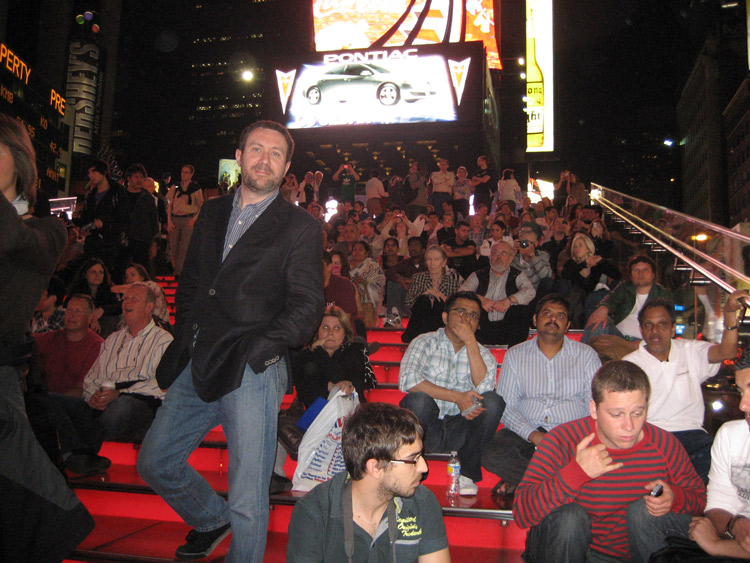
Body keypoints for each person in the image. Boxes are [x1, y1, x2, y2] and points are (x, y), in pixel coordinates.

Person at [137, 120, 324, 562]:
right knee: (155, 461)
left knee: (246, 496)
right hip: (199, 357)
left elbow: (306, 309)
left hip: (252, 369)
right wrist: (187, 334)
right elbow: (194, 281)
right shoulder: (215, 210)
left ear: (287, 167)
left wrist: (258, 352)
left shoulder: (301, 227)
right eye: (255, 149)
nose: (264, 159)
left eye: (275, 153)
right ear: (238, 158)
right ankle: (208, 517)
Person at [0, 113, 94, 561]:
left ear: (18, 162)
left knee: (29, 502)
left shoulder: (44, 230)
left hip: (3, 377)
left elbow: (8, 238)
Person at [514, 360, 706, 563]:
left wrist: (674, 498)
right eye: (617, 414)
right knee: (570, 517)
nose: (629, 426)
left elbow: (699, 499)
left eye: (638, 413)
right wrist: (576, 473)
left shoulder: (663, 443)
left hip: (636, 552)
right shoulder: (563, 439)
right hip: (580, 551)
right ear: (594, 410)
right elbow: (522, 513)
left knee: (642, 512)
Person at [287, 402, 450, 562]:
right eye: (412, 459)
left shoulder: (422, 502)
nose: (423, 467)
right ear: (375, 467)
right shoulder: (313, 511)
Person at [482, 294, 601, 495]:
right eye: (547, 313)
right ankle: (560, 483)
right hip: (527, 433)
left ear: (568, 325)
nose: (553, 319)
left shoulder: (586, 355)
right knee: (491, 453)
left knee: (591, 452)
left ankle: (526, 481)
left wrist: (566, 436)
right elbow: (506, 407)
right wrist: (534, 435)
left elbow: (595, 403)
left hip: (571, 434)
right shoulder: (515, 355)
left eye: (560, 316)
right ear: (535, 320)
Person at [622, 293, 747, 484]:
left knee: (715, 480)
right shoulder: (629, 365)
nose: (655, 331)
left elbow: (727, 351)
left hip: (693, 436)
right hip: (651, 436)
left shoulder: (690, 350)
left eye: (662, 324)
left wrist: (729, 315)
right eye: (648, 325)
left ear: (672, 329)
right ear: (641, 329)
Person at [399, 291, 504, 496]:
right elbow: (408, 380)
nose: (466, 319)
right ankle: (410, 465)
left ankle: (467, 472)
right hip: (427, 428)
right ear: (445, 317)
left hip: (461, 427)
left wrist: (470, 342)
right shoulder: (424, 342)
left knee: (493, 402)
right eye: (461, 312)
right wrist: (457, 397)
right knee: (418, 401)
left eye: (473, 316)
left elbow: (484, 389)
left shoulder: (484, 354)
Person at [688, 350, 750, 559]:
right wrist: (735, 525)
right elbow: (717, 505)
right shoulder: (731, 434)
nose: (743, 405)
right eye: (741, 392)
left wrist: (715, 545)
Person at [583, 254, 673, 360]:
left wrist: (643, 342)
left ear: (653, 274)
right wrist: (603, 308)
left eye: (645, 270)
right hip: (618, 338)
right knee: (599, 320)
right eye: (636, 270)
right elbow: (612, 299)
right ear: (631, 276)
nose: (640, 273)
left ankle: (583, 359)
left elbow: (667, 325)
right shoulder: (625, 287)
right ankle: (583, 359)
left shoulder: (663, 294)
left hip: (643, 341)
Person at [293, 306, 376, 409]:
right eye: (325, 327)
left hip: (352, 416)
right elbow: (306, 394)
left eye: (337, 328)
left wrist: (329, 385)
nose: (330, 332)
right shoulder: (306, 356)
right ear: (317, 331)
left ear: (345, 332)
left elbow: (354, 384)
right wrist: (335, 386)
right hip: (317, 416)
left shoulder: (355, 350)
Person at [459, 241, 535, 346]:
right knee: (468, 307)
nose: (498, 257)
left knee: (520, 311)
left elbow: (530, 291)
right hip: (481, 325)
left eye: (504, 253)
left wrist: (509, 301)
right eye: (495, 253)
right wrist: (481, 300)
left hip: (508, 327)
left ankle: (514, 355)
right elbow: (462, 292)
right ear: (490, 256)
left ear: (511, 258)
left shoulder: (517, 275)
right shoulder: (478, 275)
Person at [33, 293, 104, 397]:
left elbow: (82, 389)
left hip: (76, 403)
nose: (72, 315)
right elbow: (27, 343)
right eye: (69, 310)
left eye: (78, 311)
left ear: (90, 318)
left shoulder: (97, 346)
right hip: (46, 397)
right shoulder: (53, 338)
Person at [400, 246, 463, 343]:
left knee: (440, 303)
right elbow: (408, 302)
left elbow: (457, 308)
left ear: (444, 262)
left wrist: (442, 297)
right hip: (420, 322)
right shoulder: (418, 278)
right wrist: (426, 292)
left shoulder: (452, 282)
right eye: (429, 259)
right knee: (424, 300)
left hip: (441, 323)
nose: (432, 263)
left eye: (436, 259)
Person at [561, 231, 622, 328]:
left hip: (593, 298)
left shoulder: (596, 263)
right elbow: (566, 274)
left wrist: (601, 261)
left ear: (588, 247)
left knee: (594, 298)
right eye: (575, 246)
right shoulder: (571, 264)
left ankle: (589, 330)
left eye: (580, 245)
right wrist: (584, 264)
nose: (577, 248)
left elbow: (617, 275)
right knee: (577, 294)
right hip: (575, 298)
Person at [65, 257, 122, 337]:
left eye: (101, 272)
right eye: (93, 272)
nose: (97, 275)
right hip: (83, 321)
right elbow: (67, 304)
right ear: (85, 274)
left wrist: (102, 310)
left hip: (104, 324)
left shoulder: (110, 289)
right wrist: (91, 318)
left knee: (110, 318)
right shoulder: (77, 289)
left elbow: (119, 306)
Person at [167, 164, 203, 277]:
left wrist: (194, 219)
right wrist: (169, 220)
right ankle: (176, 268)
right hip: (175, 218)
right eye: (183, 172)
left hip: (188, 218)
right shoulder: (176, 187)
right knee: (173, 246)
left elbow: (201, 204)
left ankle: (179, 271)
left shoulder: (195, 188)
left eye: (187, 172)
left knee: (185, 247)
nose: (184, 174)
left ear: (191, 174)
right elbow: (169, 203)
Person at [124, 163, 159, 269]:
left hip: (142, 241)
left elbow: (154, 222)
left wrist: (154, 243)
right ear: (129, 178)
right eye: (136, 176)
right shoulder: (121, 196)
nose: (139, 180)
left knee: (141, 271)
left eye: (141, 177)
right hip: (123, 240)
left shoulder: (148, 198)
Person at [349, 240, 385, 328]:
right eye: (355, 249)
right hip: (350, 291)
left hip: (367, 294)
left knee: (370, 287)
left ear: (366, 253)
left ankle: (369, 320)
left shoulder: (372, 265)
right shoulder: (346, 265)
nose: (357, 252)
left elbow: (376, 279)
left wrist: (361, 282)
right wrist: (352, 282)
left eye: (360, 249)